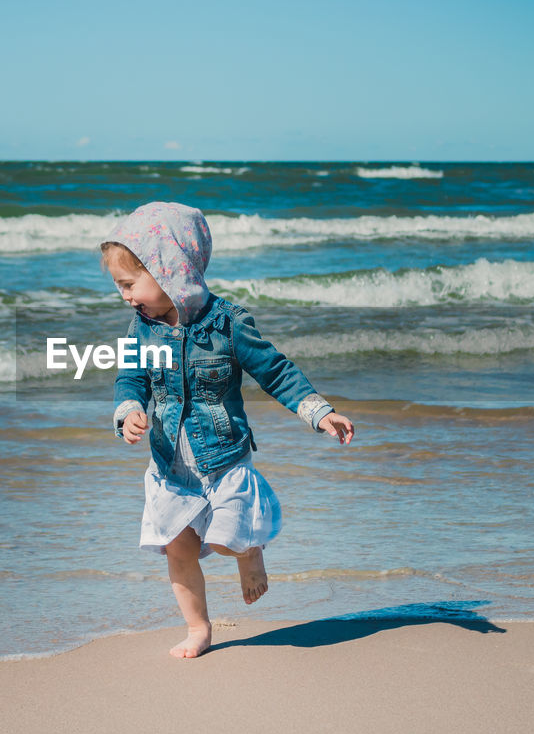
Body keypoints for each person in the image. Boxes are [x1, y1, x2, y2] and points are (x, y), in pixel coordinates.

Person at [102, 201, 354, 658]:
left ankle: (248, 553)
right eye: (119, 286)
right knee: (178, 550)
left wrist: (319, 412)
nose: (124, 296)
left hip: (224, 459)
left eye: (129, 283)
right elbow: (130, 378)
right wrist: (128, 412)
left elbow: (276, 372)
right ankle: (198, 627)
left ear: (169, 269)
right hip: (169, 465)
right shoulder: (141, 330)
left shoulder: (229, 325)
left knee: (223, 542)